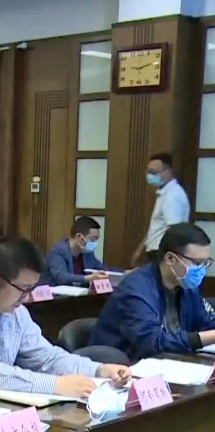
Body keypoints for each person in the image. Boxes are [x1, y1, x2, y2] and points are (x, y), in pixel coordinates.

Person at [0, 237, 131, 402]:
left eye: (31, 289)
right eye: (23, 289)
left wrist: (98, 370)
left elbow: (46, 357)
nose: (26, 298)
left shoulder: (14, 311)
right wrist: (56, 385)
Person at [91, 223, 215, 361]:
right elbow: (151, 342)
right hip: (123, 364)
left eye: (206, 263)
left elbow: (205, 323)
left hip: (168, 360)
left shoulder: (187, 286)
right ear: (170, 259)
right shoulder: (136, 288)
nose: (202, 269)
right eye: (197, 263)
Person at [134, 153, 190, 264]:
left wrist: (166, 259)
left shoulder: (172, 196)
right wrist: (140, 248)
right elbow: (157, 226)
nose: (150, 176)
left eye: (154, 172)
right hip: (156, 251)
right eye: (148, 172)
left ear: (168, 171)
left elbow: (174, 230)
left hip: (162, 253)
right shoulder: (164, 193)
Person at [42, 216, 116, 287]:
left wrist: (120, 274)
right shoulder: (57, 251)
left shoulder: (87, 253)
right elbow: (62, 277)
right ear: (79, 237)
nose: (95, 243)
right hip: (57, 294)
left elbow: (101, 268)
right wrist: (88, 278)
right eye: (93, 239)